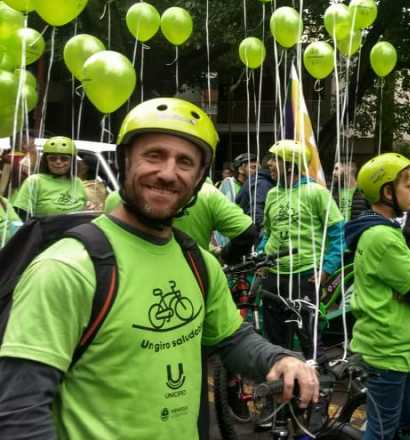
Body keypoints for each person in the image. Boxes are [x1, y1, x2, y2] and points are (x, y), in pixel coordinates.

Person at [0, 97, 318, 439]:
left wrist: (278, 359)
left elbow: (231, 338)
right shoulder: (67, 268)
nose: (168, 173)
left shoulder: (198, 261)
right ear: (125, 160)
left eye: (185, 162)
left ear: (198, 179)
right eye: (154, 155)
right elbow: (20, 411)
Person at [344, 152, 410, 440]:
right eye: (408, 185)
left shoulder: (387, 231)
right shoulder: (381, 237)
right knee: (382, 430)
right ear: (387, 191)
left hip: (404, 348)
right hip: (388, 350)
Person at [259, 139, 344, 357]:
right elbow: (268, 234)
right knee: (274, 340)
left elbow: (338, 235)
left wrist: (326, 269)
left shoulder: (317, 192)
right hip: (273, 276)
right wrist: (261, 259)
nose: (269, 164)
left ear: (290, 166)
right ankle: (280, 385)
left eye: (275, 160)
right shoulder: (272, 194)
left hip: (305, 276)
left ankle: (316, 384)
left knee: (308, 339)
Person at [105, 178, 259, 263]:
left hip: (130, 283)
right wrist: (226, 257)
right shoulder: (207, 193)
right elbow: (247, 233)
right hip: (194, 276)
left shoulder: (117, 198)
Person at [11, 136, 87, 219]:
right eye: (52, 158)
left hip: (75, 230)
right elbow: (20, 215)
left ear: (72, 162)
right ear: (46, 161)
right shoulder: (35, 181)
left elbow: (84, 209)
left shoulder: (77, 182)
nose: (58, 162)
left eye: (64, 159)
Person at [236, 153, 276, 227]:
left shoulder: (255, 181)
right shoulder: (261, 183)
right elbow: (257, 215)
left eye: (258, 168)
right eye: (253, 167)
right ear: (241, 169)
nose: (256, 171)